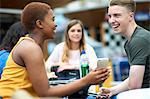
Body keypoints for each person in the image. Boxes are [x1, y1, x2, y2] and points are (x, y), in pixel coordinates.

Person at [0, 2, 110, 98]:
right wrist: (86, 80)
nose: (55, 24)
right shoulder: (30, 48)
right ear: (39, 24)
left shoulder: (30, 45)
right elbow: (46, 93)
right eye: (52, 19)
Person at [101, 0, 150, 98]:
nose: (111, 20)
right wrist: (112, 90)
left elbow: (134, 86)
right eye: (110, 16)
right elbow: (133, 78)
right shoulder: (131, 41)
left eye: (117, 15)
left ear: (130, 16)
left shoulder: (138, 40)